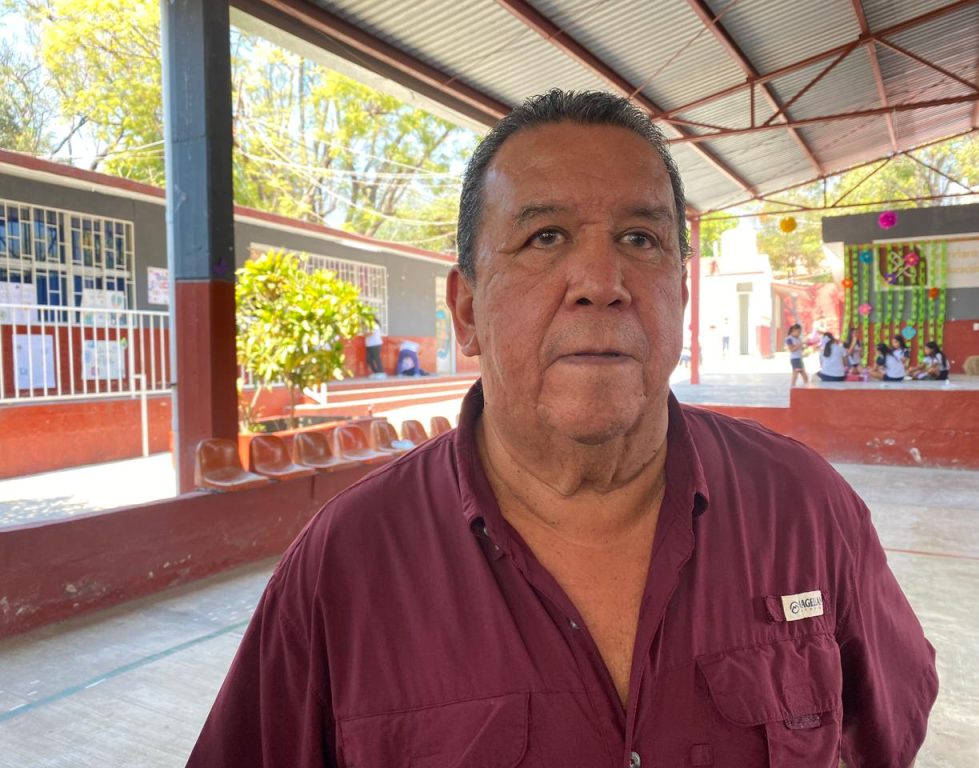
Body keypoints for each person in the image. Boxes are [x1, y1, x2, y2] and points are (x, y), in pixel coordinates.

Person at [187, 90, 936, 768]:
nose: (602, 284)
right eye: (545, 237)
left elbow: (885, 732)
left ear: (680, 294)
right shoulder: (345, 563)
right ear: (467, 311)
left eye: (640, 239)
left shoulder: (806, 509)